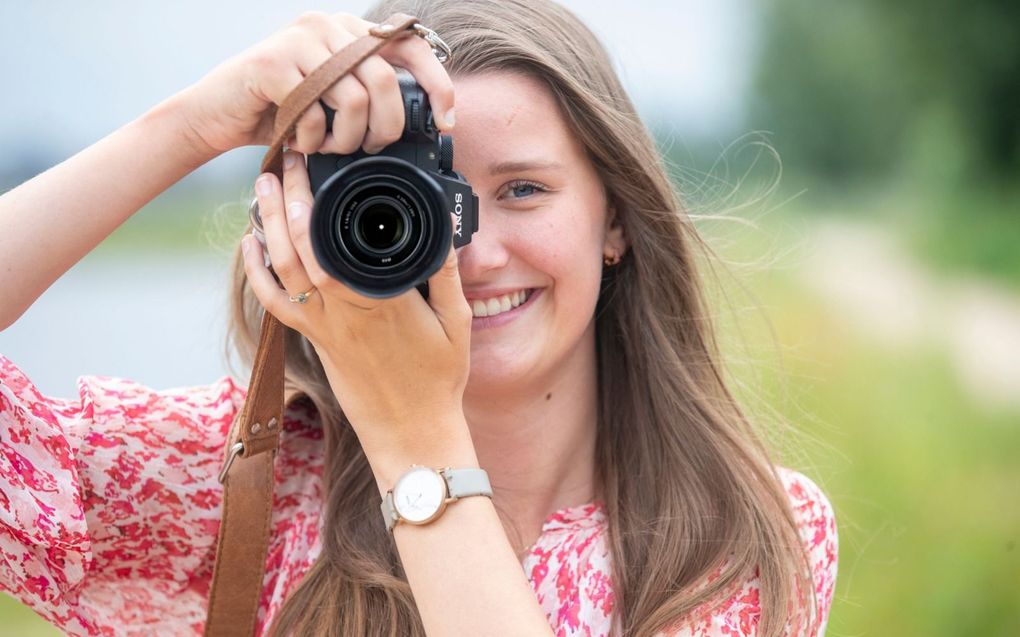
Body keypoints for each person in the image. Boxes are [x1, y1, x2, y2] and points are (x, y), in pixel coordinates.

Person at [0, 0, 837, 635]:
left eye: (522, 190)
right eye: (413, 206)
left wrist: (418, 438)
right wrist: (185, 127)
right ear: (312, 219)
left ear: (615, 218)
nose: (468, 254)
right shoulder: (237, 482)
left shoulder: (743, 535)